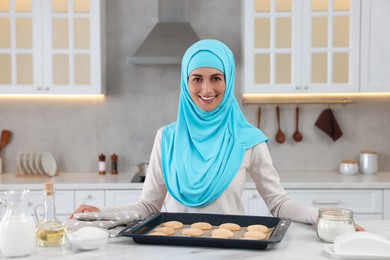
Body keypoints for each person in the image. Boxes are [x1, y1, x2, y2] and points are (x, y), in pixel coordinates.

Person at [70, 39, 362, 230]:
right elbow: (148, 206)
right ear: (186, 83)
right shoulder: (167, 138)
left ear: (229, 79)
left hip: (230, 248)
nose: (207, 90)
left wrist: (324, 217)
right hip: (170, 247)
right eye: (197, 79)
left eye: (216, 78)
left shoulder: (248, 140)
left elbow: (279, 203)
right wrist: (101, 212)